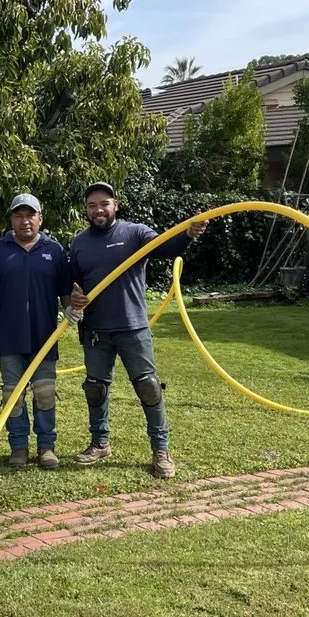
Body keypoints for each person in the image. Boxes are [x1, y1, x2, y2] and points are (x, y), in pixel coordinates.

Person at [67, 181, 208, 478]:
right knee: (95, 388)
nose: (98, 210)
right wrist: (75, 296)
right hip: (96, 330)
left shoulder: (135, 233)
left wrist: (188, 233)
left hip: (132, 327)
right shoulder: (79, 242)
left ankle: (160, 450)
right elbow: (75, 283)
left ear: (115, 205)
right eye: (92, 205)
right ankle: (100, 442)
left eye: (104, 203)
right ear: (86, 210)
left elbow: (167, 246)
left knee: (148, 387)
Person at [0, 193, 72, 470]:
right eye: (18, 215)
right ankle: (18, 447)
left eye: (30, 215)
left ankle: (46, 447)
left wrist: (74, 310)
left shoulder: (55, 251)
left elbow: (66, 294)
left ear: (40, 218)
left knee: (45, 392)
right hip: (11, 337)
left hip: (45, 336)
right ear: (11, 219)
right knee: (12, 396)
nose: (25, 221)